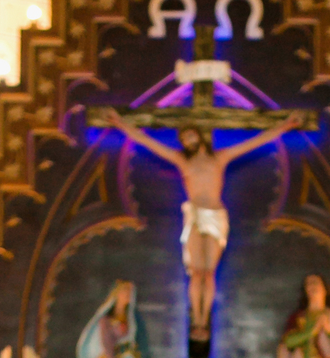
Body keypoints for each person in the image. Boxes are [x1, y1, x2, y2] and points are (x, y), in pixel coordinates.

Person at [106, 111, 298, 338]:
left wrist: (284, 126)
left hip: (216, 216)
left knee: (209, 273)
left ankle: (204, 318)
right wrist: (120, 123)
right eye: (183, 139)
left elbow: (255, 142)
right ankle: (195, 320)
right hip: (195, 215)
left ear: (199, 135)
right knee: (197, 273)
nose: (187, 140)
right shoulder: (182, 161)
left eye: (190, 135)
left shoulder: (220, 158)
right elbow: (146, 141)